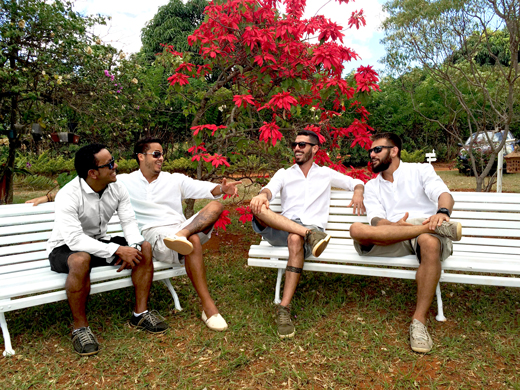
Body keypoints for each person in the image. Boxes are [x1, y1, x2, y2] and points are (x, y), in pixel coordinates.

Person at [46, 144, 167, 356]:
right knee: (80, 260)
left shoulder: (117, 188)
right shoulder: (69, 195)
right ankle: (80, 328)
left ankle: (140, 313)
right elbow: (74, 240)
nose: (115, 166)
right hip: (64, 248)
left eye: (113, 160)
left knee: (145, 247)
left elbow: (129, 222)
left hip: (98, 242)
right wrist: (116, 250)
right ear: (92, 173)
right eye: (109, 164)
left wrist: (133, 247)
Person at [349, 132, 462, 354]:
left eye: (377, 150)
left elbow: (444, 194)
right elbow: (376, 221)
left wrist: (442, 212)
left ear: (394, 151)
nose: (371, 154)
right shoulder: (372, 186)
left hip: (423, 236)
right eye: (370, 151)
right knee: (356, 229)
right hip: (394, 232)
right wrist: (396, 226)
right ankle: (430, 228)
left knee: (429, 242)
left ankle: (418, 322)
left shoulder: (420, 171)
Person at [116, 138, 241, 332]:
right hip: (153, 233)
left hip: (180, 228)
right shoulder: (125, 181)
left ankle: (181, 235)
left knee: (216, 205)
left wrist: (222, 189)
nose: (161, 158)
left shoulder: (174, 179)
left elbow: (206, 189)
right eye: (156, 154)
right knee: (193, 242)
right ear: (141, 157)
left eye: (162, 154)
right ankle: (209, 308)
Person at [250, 130, 365, 338]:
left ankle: (284, 309)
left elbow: (355, 182)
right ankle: (308, 233)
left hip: (307, 231)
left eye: (302, 145)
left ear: (315, 149)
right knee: (257, 208)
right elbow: (269, 190)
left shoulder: (326, 174)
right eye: (294, 144)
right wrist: (261, 196)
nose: (296, 148)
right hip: (285, 227)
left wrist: (358, 192)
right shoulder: (284, 173)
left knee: (295, 238)